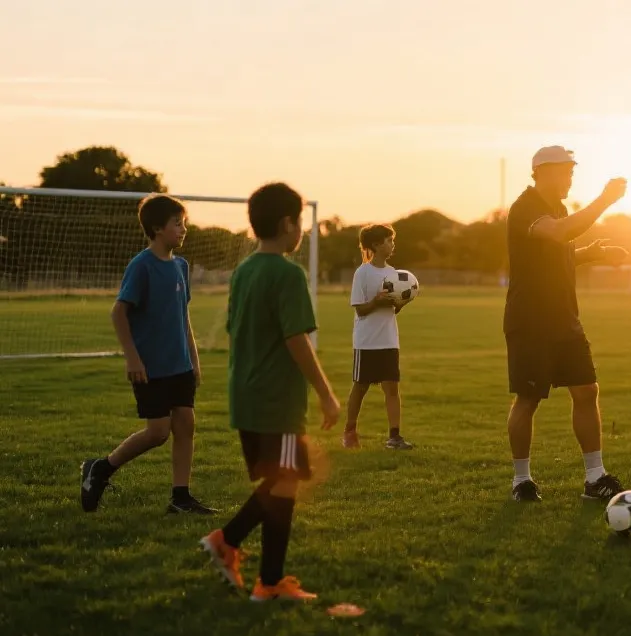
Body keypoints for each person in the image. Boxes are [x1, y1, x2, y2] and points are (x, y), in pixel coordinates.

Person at [200, 182, 341, 601]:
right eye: (299, 222)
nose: (302, 230)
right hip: (276, 398)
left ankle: (267, 582)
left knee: (283, 482)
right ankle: (229, 543)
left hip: (244, 393)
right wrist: (326, 393)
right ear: (287, 224)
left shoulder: (244, 271)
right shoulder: (287, 273)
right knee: (286, 480)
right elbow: (296, 339)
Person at [502, 145, 630, 502]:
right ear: (542, 172)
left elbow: (560, 251)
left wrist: (595, 253)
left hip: (564, 320)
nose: (570, 177)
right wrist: (604, 200)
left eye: (572, 171)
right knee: (528, 398)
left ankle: (595, 477)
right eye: (565, 171)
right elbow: (557, 234)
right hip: (530, 321)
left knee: (587, 390)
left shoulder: (557, 210)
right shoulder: (526, 207)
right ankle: (522, 480)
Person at [80, 194, 215, 515]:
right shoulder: (141, 266)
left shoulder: (181, 267)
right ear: (157, 228)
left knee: (185, 426)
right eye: (177, 223)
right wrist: (133, 358)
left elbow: (183, 318)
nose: (184, 229)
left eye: (184, 222)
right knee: (158, 433)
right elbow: (118, 313)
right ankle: (101, 468)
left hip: (179, 365)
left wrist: (193, 359)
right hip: (150, 367)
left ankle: (180, 497)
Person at [343, 223, 414, 450]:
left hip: (389, 340)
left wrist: (400, 302)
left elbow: (393, 309)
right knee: (360, 387)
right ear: (376, 244)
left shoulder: (394, 274)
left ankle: (394, 437)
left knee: (392, 389)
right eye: (389, 240)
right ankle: (349, 432)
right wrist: (376, 300)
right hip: (367, 342)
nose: (392, 244)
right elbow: (360, 310)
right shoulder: (362, 273)